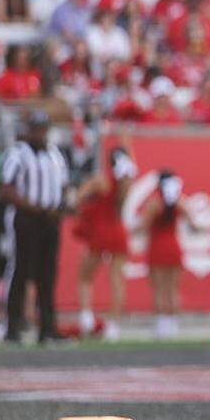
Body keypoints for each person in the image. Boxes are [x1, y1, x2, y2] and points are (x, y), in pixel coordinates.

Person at [0, 110, 69, 343]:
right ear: (28, 129)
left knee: (47, 275)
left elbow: (64, 185)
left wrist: (60, 206)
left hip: (50, 220)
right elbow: (6, 188)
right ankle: (12, 328)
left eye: (43, 128)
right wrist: (34, 206)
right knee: (19, 270)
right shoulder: (17, 153)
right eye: (36, 128)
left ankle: (47, 328)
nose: (40, 133)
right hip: (26, 219)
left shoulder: (55, 154)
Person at [72, 144, 137, 340]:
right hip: (118, 230)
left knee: (85, 276)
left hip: (100, 232)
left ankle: (86, 317)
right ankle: (114, 325)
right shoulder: (126, 181)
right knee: (117, 280)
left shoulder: (101, 180)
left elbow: (78, 197)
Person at [136, 169, 197, 339]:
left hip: (157, 248)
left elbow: (143, 225)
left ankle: (161, 325)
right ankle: (173, 324)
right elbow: (193, 224)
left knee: (158, 289)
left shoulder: (155, 203)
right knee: (173, 289)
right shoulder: (179, 202)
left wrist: (132, 228)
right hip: (173, 248)